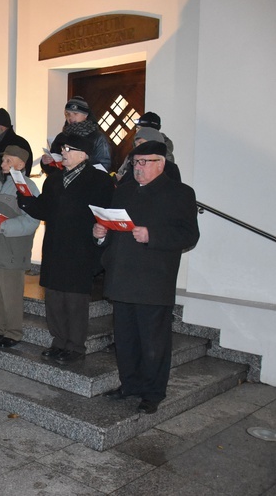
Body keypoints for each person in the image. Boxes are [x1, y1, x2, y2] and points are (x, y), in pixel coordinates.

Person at [95, 140, 199, 414]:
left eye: (144, 162)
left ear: (161, 163)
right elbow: (116, 227)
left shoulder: (180, 193)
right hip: (122, 277)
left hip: (154, 281)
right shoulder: (124, 190)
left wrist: (153, 235)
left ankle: (153, 393)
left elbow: (189, 235)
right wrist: (102, 233)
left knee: (153, 342)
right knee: (126, 339)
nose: (137, 168)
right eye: (135, 162)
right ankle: (129, 384)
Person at [18, 134, 114, 364]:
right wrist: (24, 198)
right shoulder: (53, 180)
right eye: (63, 149)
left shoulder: (99, 180)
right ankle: (59, 341)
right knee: (54, 299)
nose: (64, 153)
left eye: (69, 149)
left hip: (80, 249)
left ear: (84, 154)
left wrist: (99, 235)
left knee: (74, 301)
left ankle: (75, 346)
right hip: (55, 246)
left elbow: (105, 214)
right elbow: (44, 209)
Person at [0, 146, 41, 348]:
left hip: (12, 248)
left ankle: (13, 332)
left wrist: (5, 225)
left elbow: (32, 220)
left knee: (11, 294)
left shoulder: (28, 187)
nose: (2, 164)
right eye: (3, 160)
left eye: (8, 161)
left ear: (21, 164)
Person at [42, 96, 112, 173]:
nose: (71, 117)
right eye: (68, 114)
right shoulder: (61, 137)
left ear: (85, 115)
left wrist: (81, 160)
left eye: (75, 113)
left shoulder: (97, 137)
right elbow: (53, 168)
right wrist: (46, 163)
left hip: (89, 182)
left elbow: (104, 164)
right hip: (63, 181)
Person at [115, 128, 180, 185]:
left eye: (141, 143)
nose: (137, 147)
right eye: (136, 144)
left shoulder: (170, 169)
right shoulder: (133, 165)